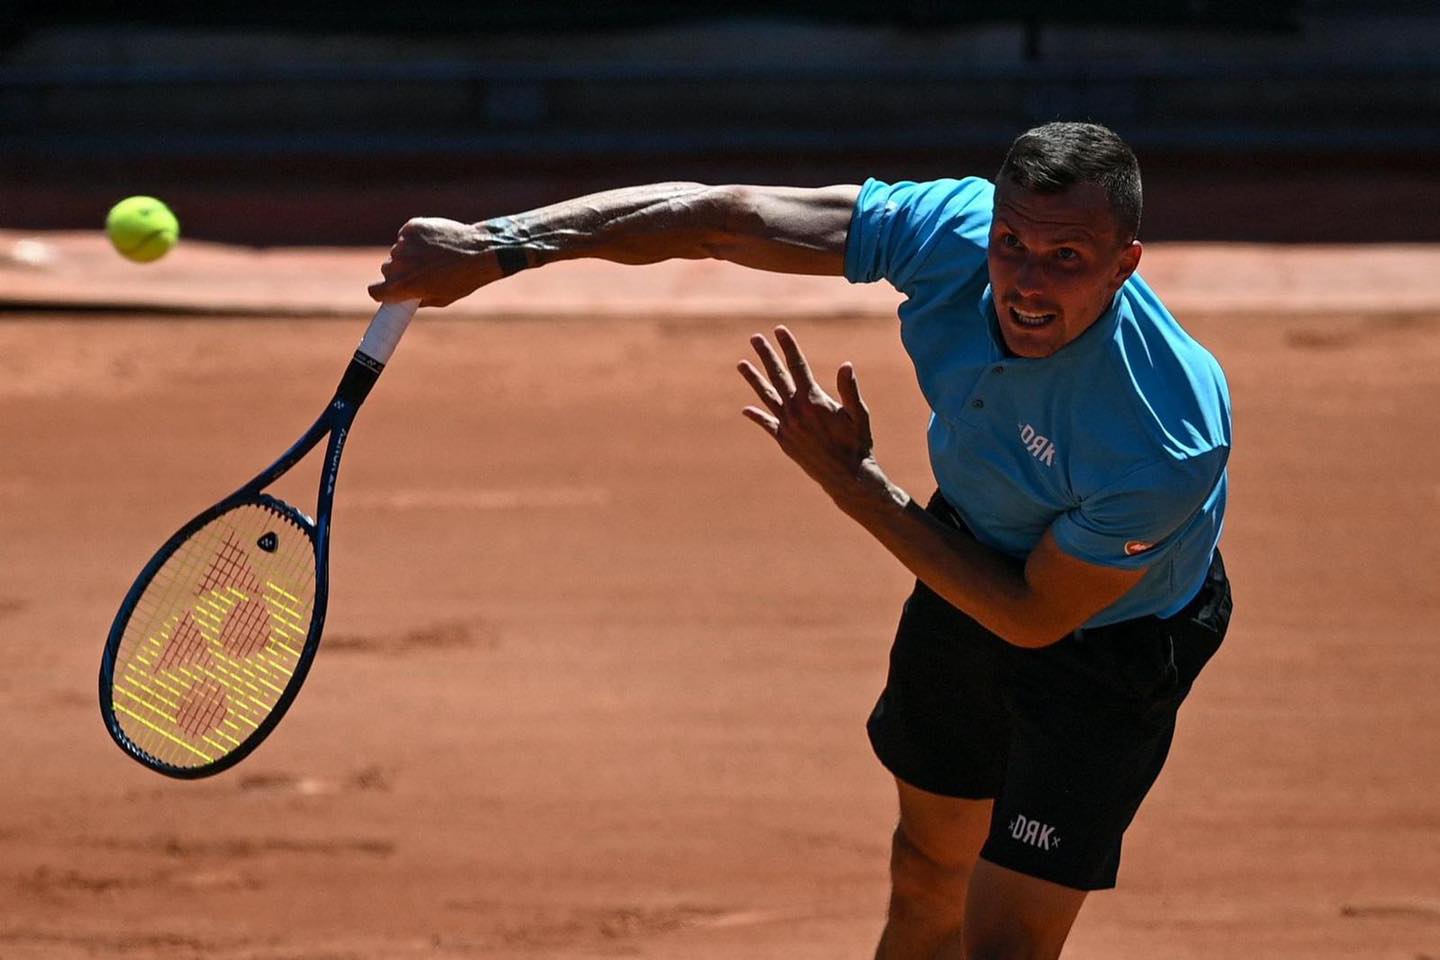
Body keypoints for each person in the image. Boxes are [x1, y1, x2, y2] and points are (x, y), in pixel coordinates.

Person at [368, 121, 1233, 960]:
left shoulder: (1163, 438)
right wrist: (502, 244)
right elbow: (722, 217)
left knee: (1005, 943)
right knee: (927, 874)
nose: (1027, 281)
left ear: (1126, 265)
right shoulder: (955, 235)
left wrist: (852, 481)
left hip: (1107, 644)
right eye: (1013, 244)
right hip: (965, 551)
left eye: (1067, 258)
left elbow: (1033, 616)